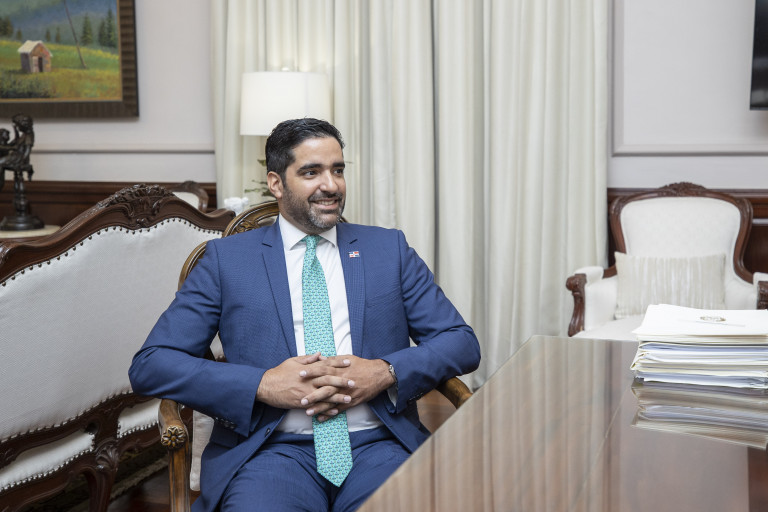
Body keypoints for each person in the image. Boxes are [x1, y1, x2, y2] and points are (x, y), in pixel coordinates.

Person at [129, 118, 480, 512]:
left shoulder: (388, 250)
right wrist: (262, 384)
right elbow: (151, 364)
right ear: (276, 183)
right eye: (311, 172)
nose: (331, 185)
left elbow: (461, 342)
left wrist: (385, 372)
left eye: (338, 170)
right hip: (269, 453)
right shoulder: (227, 261)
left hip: (379, 445)